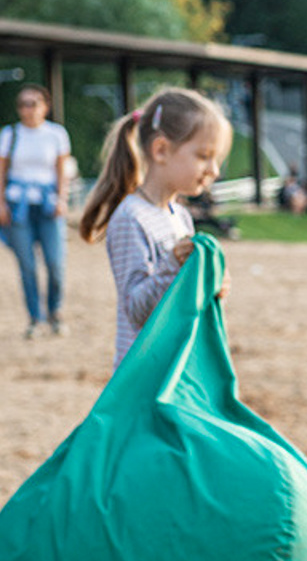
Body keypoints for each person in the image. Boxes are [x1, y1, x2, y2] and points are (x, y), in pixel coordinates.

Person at [79, 87, 233, 367]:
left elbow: (179, 297)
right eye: (203, 156)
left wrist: (209, 284)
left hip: (175, 365)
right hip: (144, 373)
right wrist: (174, 262)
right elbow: (137, 309)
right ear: (161, 150)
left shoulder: (180, 215)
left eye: (217, 159)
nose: (214, 170)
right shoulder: (131, 217)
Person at [0, 85, 72, 338]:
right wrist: (1, 203)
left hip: (48, 204)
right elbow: (1, 171)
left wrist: (62, 199)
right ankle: (35, 317)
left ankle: (55, 311)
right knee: (27, 265)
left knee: (55, 263)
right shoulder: (9, 134)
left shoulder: (56, 134)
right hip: (18, 205)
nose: (27, 110)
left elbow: (61, 170)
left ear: (45, 106)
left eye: (33, 103)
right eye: (23, 104)